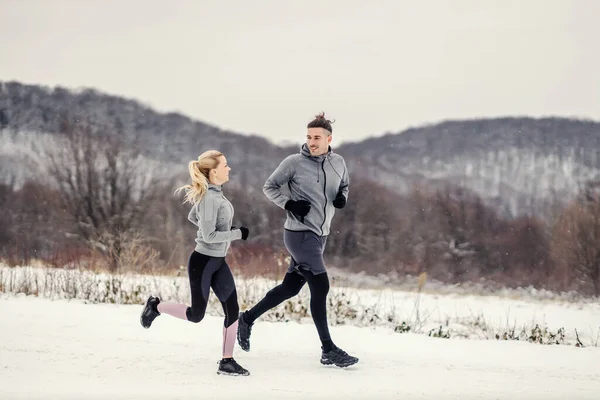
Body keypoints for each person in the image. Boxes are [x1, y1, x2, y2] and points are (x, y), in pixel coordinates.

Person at [237, 113, 359, 368]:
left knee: (290, 288)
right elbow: (269, 187)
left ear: (329, 138)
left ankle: (247, 319)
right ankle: (328, 349)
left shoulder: (339, 162)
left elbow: (344, 186)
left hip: (320, 234)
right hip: (299, 234)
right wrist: (289, 203)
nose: (311, 142)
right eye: (308, 137)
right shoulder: (293, 162)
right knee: (321, 285)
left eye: (316, 137)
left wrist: (342, 198)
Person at [140, 150, 251, 376]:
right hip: (202, 262)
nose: (229, 169)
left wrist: (221, 230)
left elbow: (194, 217)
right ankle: (155, 306)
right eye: (225, 165)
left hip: (218, 261)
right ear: (213, 171)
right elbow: (209, 236)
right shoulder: (210, 198)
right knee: (196, 315)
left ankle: (227, 361)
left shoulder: (215, 194)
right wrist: (237, 233)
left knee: (232, 308)